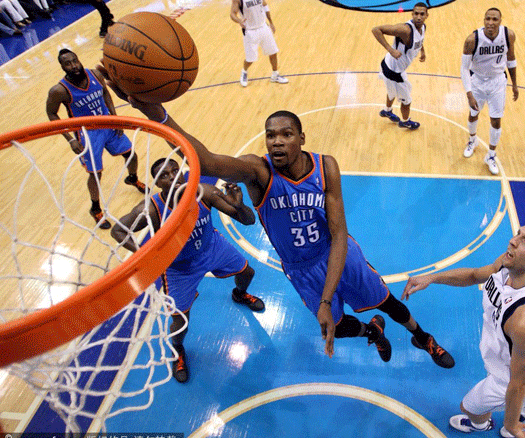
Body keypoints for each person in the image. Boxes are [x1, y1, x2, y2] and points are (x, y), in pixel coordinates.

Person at [97, 67, 454, 367]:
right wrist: (154, 112)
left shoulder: (325, 166)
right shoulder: (258, 172)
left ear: (301, 137)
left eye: (286, 134)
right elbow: (204, 160)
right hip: (300, 268)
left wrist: (327, 298)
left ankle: (422, 338)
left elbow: (339, 234)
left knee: (388, 303)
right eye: (271, 136)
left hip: (338, 254)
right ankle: (370, 331)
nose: (277, 142)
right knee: (334, 327)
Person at [401, 213, 525, 438]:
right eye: (518, 234)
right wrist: (431, 278)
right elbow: (474, 275)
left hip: (516, 377)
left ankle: (481, 424)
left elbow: (518, 382)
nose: (513, 241)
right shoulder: (509, 264)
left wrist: (511, 424)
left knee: (470, 406)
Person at [112, 159, 265, 383]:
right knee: (180, 320)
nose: (173, 176)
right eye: (165, 175)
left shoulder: (204, 193)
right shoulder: (153, 208)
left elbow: (249, 221)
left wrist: (240, 206)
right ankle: (178, 350)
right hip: (179, 267)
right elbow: (118, 230)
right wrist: (143, 254)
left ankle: (239, 294)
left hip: (211, 247)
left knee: (247, 272)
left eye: (176, 170)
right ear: (158, 183)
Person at [47, 49, 146, 229]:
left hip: (107, 123)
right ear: (62, 67)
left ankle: (132, 178)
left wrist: (115, 118)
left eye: (75, 61)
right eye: (68, 63)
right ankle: (95, 208)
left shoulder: (95, 74)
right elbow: (52, 114)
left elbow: (106, 94)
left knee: (131, 154)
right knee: (96, 173)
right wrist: (70, 139)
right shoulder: (59, 90)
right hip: (87, 134)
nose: (74, 66)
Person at [461, 7, 518, 175]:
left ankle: (491, 155)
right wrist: (469, 93)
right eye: (488, 19)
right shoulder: (472, 39)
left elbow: (511, 59)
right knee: (473, 114)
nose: (490, 23)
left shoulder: (508, 35)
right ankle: (472, 140)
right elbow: (464, 69)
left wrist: (514, 84)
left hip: (498, 82)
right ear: (483, 20)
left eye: (494, 19)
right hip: (477, 81)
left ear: (500, 21)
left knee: (496, 120)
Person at [372, 2, 428, 130]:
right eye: (416, 14)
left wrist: (422, 50)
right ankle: (405, 121)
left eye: (422, 14)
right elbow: (376, 30)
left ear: (426, 15)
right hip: (394, 71)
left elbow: (420, 40)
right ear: (412, 14)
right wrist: (391, 50)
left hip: (388, 65)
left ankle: (387, 110)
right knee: (406, 100)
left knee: (391, 92)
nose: (419, 17)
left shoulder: (423, 27)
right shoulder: (405, 29)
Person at [230, 0, 288, 87]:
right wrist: (239, 21)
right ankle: (244, 71)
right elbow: (232, 14)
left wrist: (271, 22)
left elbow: (264, 5)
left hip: (263, 27)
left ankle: (275, 75)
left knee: (273, 52)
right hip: (250, 31)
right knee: (250, 59)